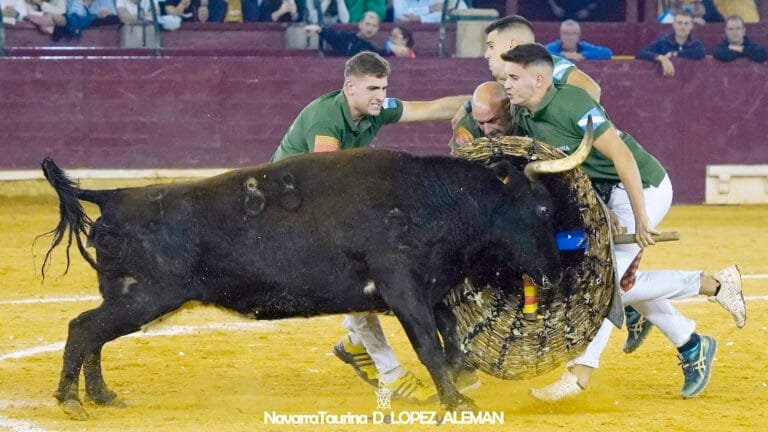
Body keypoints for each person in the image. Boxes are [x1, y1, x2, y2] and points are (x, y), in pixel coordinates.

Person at [499, 43, 746, 401]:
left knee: (606, 281)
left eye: (513, 77)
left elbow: (622, 154)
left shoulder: (574, 104)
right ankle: (707, 308)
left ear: (538, 79)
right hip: (605, 196)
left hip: (643, 185)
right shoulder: (524, 114)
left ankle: (581, 373)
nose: (506, 84)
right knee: (620, 286)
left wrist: (641, 216)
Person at [270, 52, 471, 404]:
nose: (381, 94)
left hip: (319, 203)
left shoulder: (373, 108)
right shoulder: (326, 120)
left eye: (384, 87)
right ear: (350, 87)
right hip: (291, 211)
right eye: (373, 88)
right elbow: (324, 183)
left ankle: (353, 345)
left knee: (368, 275)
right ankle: (390, 373)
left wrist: (481, 101)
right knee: (356, 279)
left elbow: (430, 108)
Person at [451, 15, 603, 132]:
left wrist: (564, 136)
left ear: (511, 45)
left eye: (491, 46)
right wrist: (468, 105)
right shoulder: (513, 78)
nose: (487, 54)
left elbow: (591, 90)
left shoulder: (547, 65)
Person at [636, 10, 705, 77]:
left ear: (691, 26)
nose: (682, 27)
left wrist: (675, 54)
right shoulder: (663, 42)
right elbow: (640, 53)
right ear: (674, 25)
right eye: (679, 23)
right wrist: (661, 58)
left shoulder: (696, 44)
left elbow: (700, 52)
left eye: (686, 24)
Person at [449, 81, 514, 149]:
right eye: (480, 123)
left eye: (492, 121)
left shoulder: (522, 114)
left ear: (508, 108)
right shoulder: (468, 127)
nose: (487, 131)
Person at [304, 10, 380, 57]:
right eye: (367, 24)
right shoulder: (346, 38)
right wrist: (319, 29)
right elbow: (332, 35)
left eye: (374, 26)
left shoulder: (374, 51)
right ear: (360, 24)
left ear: (377, 29)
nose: (370, 29)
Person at [544, 19, 613, 61]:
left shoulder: (583, 46)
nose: (570, 37)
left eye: (573, 34)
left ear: (578, 36)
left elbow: (607, 53)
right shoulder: (555, 46)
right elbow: (540, 54)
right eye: (566, 34)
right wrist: (564, 55)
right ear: (560, 35)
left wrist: (582, 55)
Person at [393, 0, 466, 23]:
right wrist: (429, 9)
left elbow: (457, 10)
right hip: (403, 36)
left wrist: (420, 18)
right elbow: (400, 14)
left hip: (436, 37)